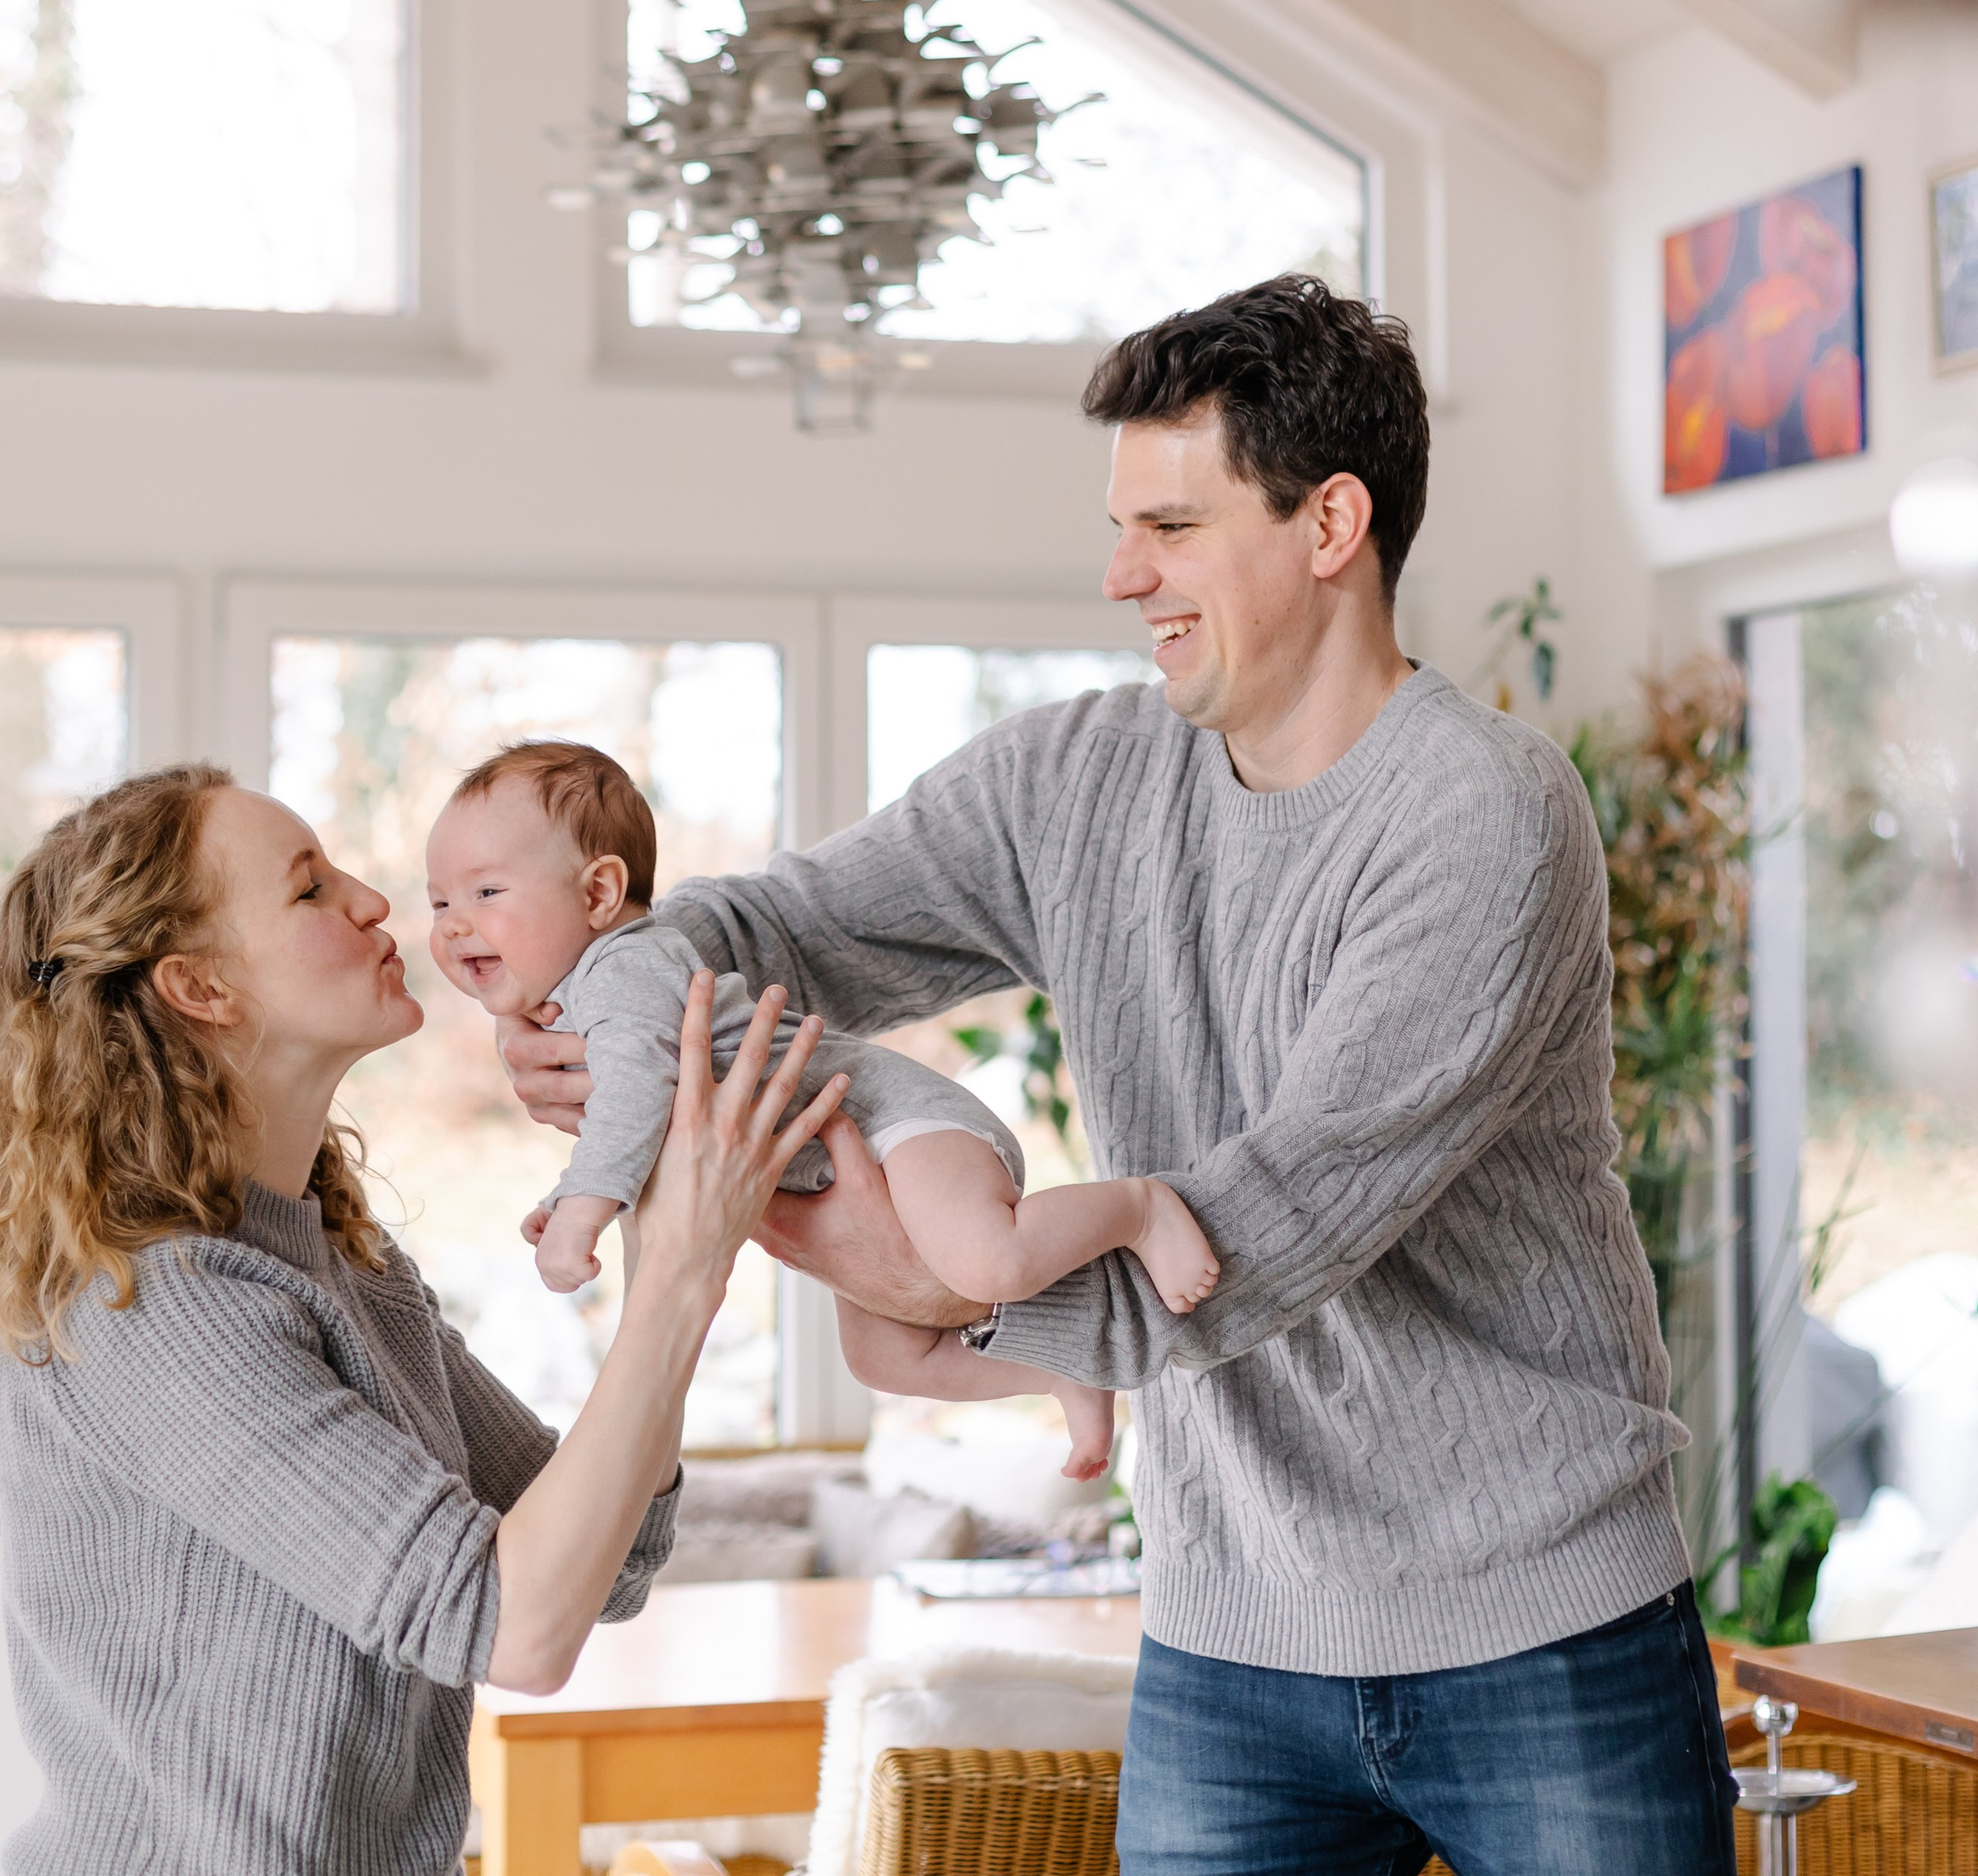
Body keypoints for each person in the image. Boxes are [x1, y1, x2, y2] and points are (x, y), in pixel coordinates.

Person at [501, 274, 1740, 1873]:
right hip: (1226, 1640)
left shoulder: (1477, 815)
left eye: (1166, 524)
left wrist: (926, 1274)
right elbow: (771, 922)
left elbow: (1251, 1243)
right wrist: (606, 1004)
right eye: (1117, 525)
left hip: (1538, 1625)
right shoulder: (1074, 781)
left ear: (1328, 523)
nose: (1116, 573)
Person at [0, 763, 849, 1876]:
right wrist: (680, 1275)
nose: (373, 901)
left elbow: (616, 1561)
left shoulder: (346, 1266)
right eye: (311, 888)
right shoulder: (148, 1305)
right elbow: (516, 1627)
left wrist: (663, 1235)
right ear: (200, 986)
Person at [425, 738, 1217, 1482]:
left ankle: (1138, 1208)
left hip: (897, 1125)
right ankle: (1059, 1366)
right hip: (849, 1158)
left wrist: (580, 1216)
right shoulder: (594, 990)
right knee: (885, 1360)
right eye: (438, 902)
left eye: (486, 891)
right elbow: (640, 1116)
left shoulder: (624, 971)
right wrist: (570, 1190)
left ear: (598, 891)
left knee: (989, 1264)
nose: (453, 922)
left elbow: (634, 1096)